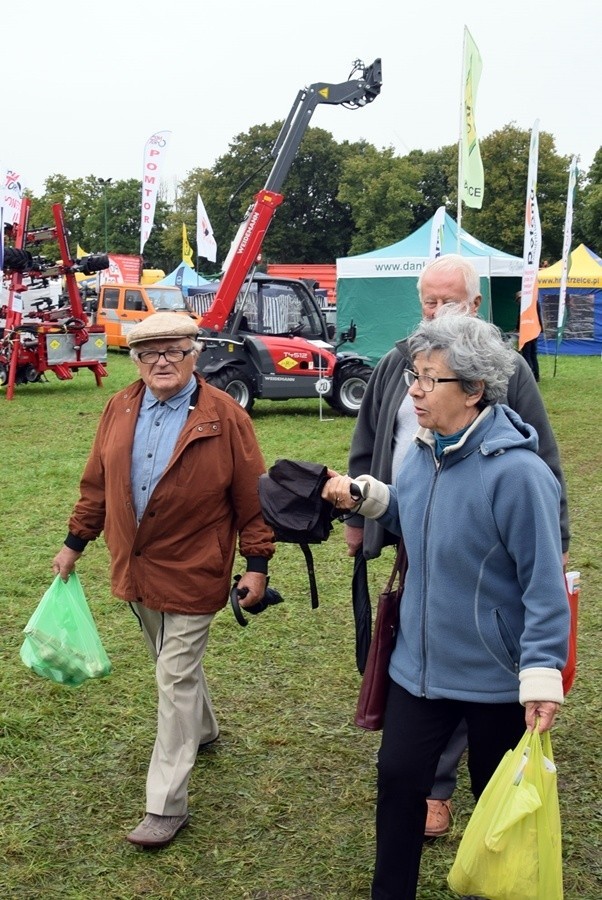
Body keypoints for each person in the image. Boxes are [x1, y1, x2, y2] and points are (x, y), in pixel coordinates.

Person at [324, 313, 569, 900]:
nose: (414, 390)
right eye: (415, 375)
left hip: (494, 680)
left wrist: (540, 676)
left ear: (475, 390)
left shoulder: (520, 475)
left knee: (497, 809)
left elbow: (543, 584)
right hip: (417, 670)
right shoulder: (423, 451)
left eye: (430, 379)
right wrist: (369, 497)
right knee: (399, 781)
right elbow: (413, 513)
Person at [52, 312, 275, 849]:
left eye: (174, 350)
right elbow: (96, 484)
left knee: (172, 676)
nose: (162, 362)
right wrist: (75, 541)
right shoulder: (119, 406)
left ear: (195, 353)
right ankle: (204, 731)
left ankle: (165, 805)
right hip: (135, 562)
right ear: (135, 360)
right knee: (169, 662)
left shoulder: (224, 416)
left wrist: (258, 563)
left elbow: (253, 496)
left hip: (197, 564)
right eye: (149, 353)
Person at [516, 290, 544, 382]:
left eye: (518, 300)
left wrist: (517, 328)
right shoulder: (535, 303)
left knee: (527, 354)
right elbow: (539, 317)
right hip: (534, 330)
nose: (518, 302)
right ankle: (536, 375)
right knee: (533, 354)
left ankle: (529, 376)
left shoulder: (524, 305)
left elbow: (521, 318)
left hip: (526, 331)